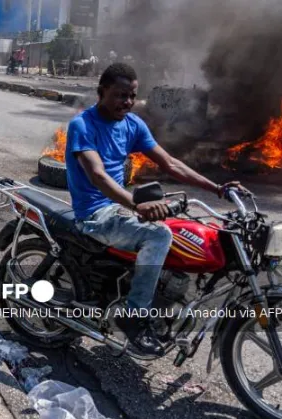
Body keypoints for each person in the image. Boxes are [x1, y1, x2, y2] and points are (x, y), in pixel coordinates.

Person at [66, 63, 246, 358]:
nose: (126, 102)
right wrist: (136, 204)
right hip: (96, 214)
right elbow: (97, 175)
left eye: (132, 95)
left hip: (120, 210)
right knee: (159, 236)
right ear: (101, 92)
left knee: (187, 231)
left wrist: (218, 189)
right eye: (119, 95)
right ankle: (134, 316)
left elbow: (170, 163)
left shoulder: (133, 124)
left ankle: (160, 297)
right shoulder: (82, 125)